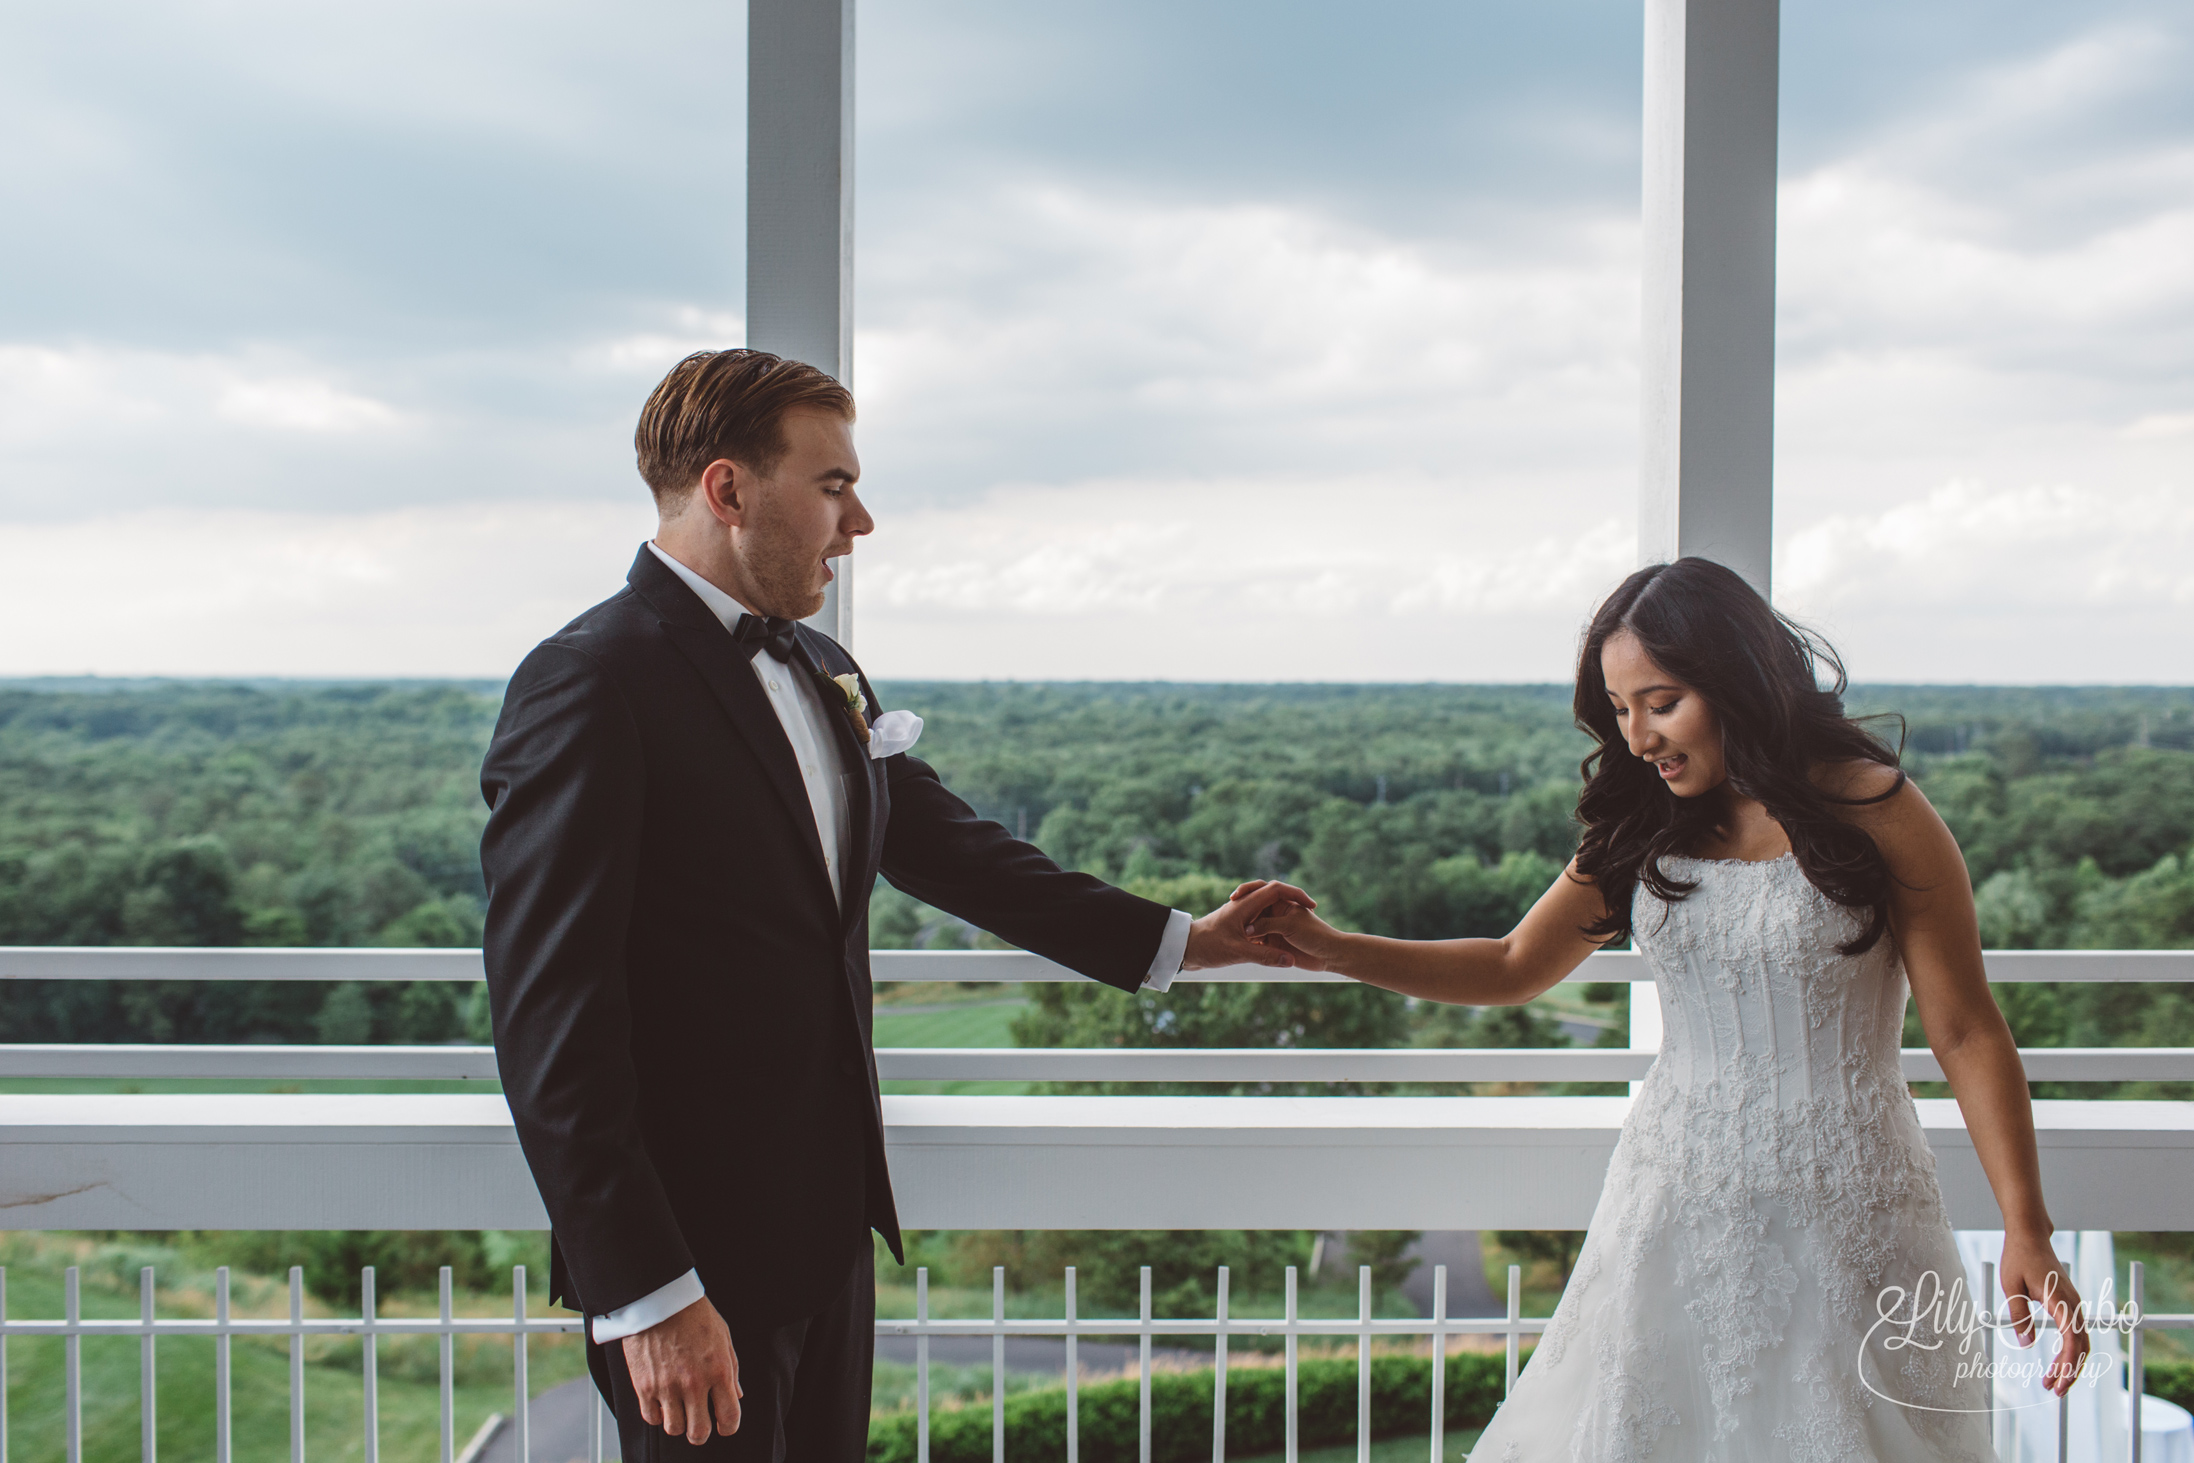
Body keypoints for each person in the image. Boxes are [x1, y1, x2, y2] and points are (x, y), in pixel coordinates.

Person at [479, 348, 1306, 1460]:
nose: (857, 520)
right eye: (831, 485)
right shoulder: (587, 679)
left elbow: (954, 851)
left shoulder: (822, 661)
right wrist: (645, 1291)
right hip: (690, 1264)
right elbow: (550, 1021)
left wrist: (1181, 943)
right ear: (728, 490)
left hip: (825, 1236)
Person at [1253, 557, 2089, 1462]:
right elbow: (1510, 964)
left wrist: (2026, 1225)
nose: (1639, 735)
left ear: (1738, 678)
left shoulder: (1876, 807)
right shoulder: (1643, 822)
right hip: (1673, 1199)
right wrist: (1333, 948)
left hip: (1851, 1202)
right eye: (1619, 709)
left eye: (1661, 700)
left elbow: (1964, 1028)